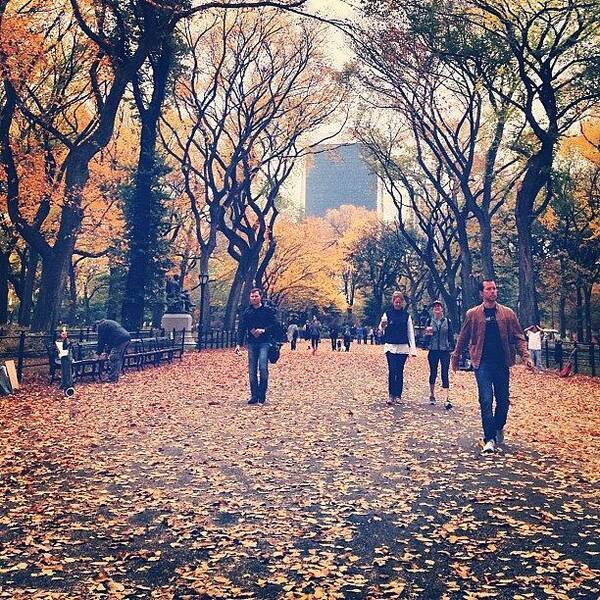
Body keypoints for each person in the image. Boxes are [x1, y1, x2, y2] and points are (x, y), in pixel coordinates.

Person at [451, 280, 533, 454]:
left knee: (503, 401)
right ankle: (489, 439)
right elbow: (463, 336)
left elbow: (518, 337)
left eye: (494, 288)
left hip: (502, 362)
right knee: (486, 400)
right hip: (482, 363)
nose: (493, 291)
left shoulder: (507, 314)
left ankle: (498, 426)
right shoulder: (473, 314)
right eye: (489, 289)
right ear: (482, 292)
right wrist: (456, 356)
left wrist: (526, 357)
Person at [235, 288, 280, 405]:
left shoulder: (267, 311)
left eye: (256, 296)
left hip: (265, 342)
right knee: (252, 369)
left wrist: (264, 330)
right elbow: (242, 328)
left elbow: (275, 325)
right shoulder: (247, 312)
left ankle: (262, 393)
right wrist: (238, 344)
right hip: (251, 343)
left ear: (260, 297)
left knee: (263, 368)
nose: (254, 298)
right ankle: (254, 395)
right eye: (252, 296)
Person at [378, 291, 417, 406]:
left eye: (400, 302)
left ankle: (398, 395)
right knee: (392, 370)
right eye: (396, 301)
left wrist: (413, 349)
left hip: (403, 347)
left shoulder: (407, 316)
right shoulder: (387, 314)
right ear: (393, 302)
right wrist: (383, 326)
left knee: (399, 371)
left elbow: (410, 332)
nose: (398, 303)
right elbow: (380, 329)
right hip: (390, 346)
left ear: (402, 303)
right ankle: (391, 395)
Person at [424, 301, 454, 409]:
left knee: (444, 373)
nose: (437, 308)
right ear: (433, 310)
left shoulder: (447, 321)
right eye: (435, 306)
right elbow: (426, 338)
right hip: (433, 350)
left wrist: (453, 348)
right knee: (433, 372)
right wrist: (427, 336)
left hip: (444, 350)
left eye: (439, 306)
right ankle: (432, 395)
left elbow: (450, 335)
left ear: (442, 309)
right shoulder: (429, 321)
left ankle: (446, 398)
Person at [55, 327, 75, 395]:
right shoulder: (59, 341)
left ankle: (69, 383)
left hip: (67, 357)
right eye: (63, 334)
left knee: (68, 370)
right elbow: (62, 349)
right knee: (65, 370)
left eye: (66, 333)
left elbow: (68, 349)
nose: (65, 335)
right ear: (60, 334)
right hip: (63, 357)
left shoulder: (67, 340)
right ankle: (66, 383)